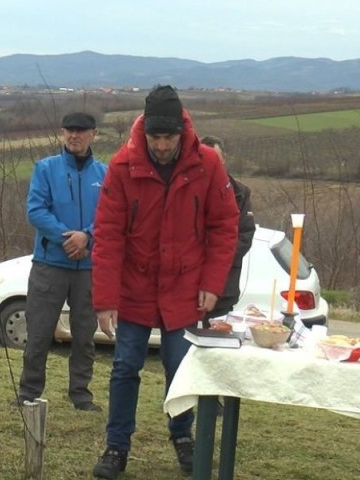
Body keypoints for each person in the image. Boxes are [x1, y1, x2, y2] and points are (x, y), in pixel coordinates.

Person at [90, 85, 240, 478]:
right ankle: (116, 446)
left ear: (181, 131)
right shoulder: (122, 166)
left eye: (168, 137)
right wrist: (105, 300)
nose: (160, 146)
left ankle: (183, 436)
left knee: (181, 367)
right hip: (135, 287)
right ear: (144, 132)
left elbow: (225, 226)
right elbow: (107, 235)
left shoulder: (207, 164)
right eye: (154, 137)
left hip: (185, 286)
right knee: (124, 367)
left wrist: (212, 282)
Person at [17, 112, 107, 412]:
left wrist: (88, 237)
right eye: (69, 130)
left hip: (89, 267)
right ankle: (29, 391)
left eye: (81, 131)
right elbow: (36, 211)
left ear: (93, 134)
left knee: (84, 336)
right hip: (50, 264)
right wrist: (69, 239)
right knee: (39, 332)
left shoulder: (104, 174)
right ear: (62, 133)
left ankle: (81, 394)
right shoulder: (45, 168)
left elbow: (110, 216)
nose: (74, 136)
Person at [199, 135, 256, 327]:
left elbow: (245, 235)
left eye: (215, 159)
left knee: (216, 346)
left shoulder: (240, 193)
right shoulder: (188, 190)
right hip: (187, 286)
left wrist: (217, 262)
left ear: (223, 159)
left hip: (224, 288)